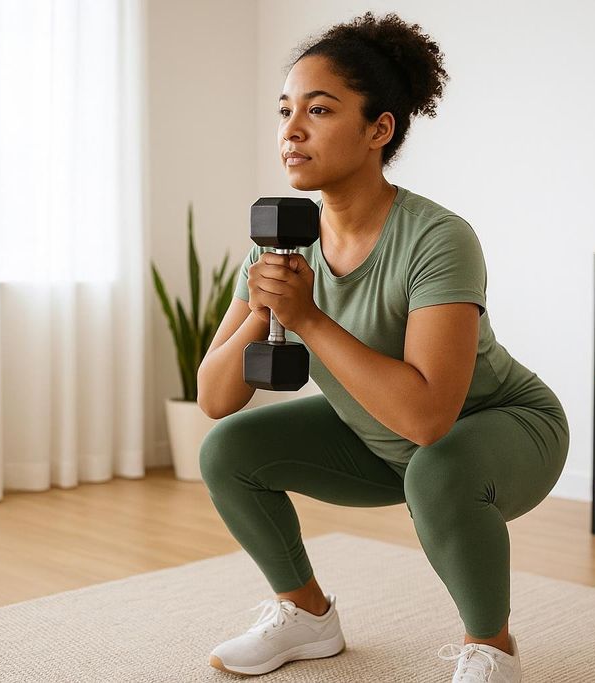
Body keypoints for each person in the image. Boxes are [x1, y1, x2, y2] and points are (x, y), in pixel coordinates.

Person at [197, 11, 569, 683]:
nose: (291, 130)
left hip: (502, 428)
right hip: (377, 437)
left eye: (318, 109)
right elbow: (215, 398)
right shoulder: (280, 240)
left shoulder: (437, 238)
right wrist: (261, 310)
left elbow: (430, 418)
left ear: (379, 129)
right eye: (285, 110)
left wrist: (307, 318)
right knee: (228, 451)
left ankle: (492, 648)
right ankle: (306, 615)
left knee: (436, 467)